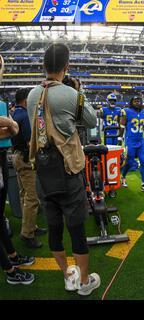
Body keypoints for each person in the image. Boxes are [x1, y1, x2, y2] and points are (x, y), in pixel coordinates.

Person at [27, 44, 100, 295]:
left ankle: (67, 275)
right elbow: (91, 121)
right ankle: (84, 283)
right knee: (76, 227)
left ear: (43, 66)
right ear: (66, 67)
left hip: (43, 172)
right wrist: (79, 93)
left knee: (54, 226)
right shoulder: (71, 95)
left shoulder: (32, 94)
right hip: (68, 170)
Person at [0, 54, 35, 285]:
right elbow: (10, 128)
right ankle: (10, 272)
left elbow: (11, 131)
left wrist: (9, 124)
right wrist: (8, 123)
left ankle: (12, 256)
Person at [11, 88, 46, 249]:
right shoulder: (25, 115)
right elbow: (29, 142)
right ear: (26, 100)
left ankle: (31, 226)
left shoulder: (15, 113)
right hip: (25, 159)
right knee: (32, 198)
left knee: (24, 195)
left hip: (16, 156)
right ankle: (27, 234)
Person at [119, 96, 144, 193]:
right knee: (129, 162)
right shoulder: (126, 111)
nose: (137, 103)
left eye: (138, 101)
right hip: (130, 141)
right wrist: (119, 141)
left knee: (143, 162)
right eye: (135, 101)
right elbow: (121, 127)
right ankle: (123, 177)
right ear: (131, 102)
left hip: (141, 142)